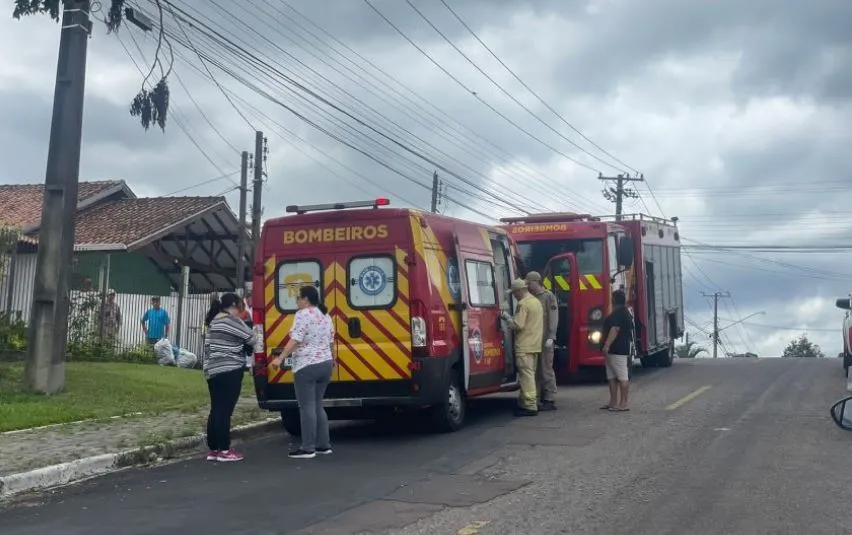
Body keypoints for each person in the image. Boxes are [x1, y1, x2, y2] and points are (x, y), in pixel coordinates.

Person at [270, 286, 334, 459]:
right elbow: (330, 341)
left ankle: (308, 448)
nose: (296, 301)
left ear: (306, 299)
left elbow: (296, 339)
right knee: (317, 404)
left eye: (298, 298)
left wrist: (280, 357)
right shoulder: (325, 316)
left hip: (307, 365)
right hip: (325, 364)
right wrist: (332, 360)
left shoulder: (303, 314)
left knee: (306, 407)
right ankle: (323, 445)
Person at [203, 293, 257, 462]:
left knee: (216, 408)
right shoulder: (230, 320)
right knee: (225, 411)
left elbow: (207, 348)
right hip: (230, 369)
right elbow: (252, 338)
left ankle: (214, 449)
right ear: (235, 304)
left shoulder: (214, 321)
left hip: (213, 370)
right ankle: (225, 450)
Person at [501, 279, 544, 417]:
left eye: (514, 293)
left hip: (524, 345)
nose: (514, 296)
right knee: (530, 374)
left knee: (526, 376)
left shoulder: (523, 304)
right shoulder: (536, 302)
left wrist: (507, 318)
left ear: (520, 291)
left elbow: (518, 325)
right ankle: (526, 402)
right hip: (535, 345)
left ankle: (530, 406)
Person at [524, 272, 559, 411]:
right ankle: (536, 398)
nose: (528, 286)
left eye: (529, 283)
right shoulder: (530, 297)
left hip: (545, 340)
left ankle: (550, 398)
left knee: (546, 369)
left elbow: (553, 317)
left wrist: (551, 336)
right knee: (535, 371)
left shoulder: (548, 296)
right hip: (533, 339)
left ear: (536, 282)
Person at [601, 290, 634, 412]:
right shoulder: (623, 312)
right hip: (613, 351)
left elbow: (615, 330)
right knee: (612, 377)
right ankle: (613, 402)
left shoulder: (619, 314)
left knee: (622, 377)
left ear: (613, 299)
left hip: (617, 350)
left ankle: (623, 403)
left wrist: (607, 345)